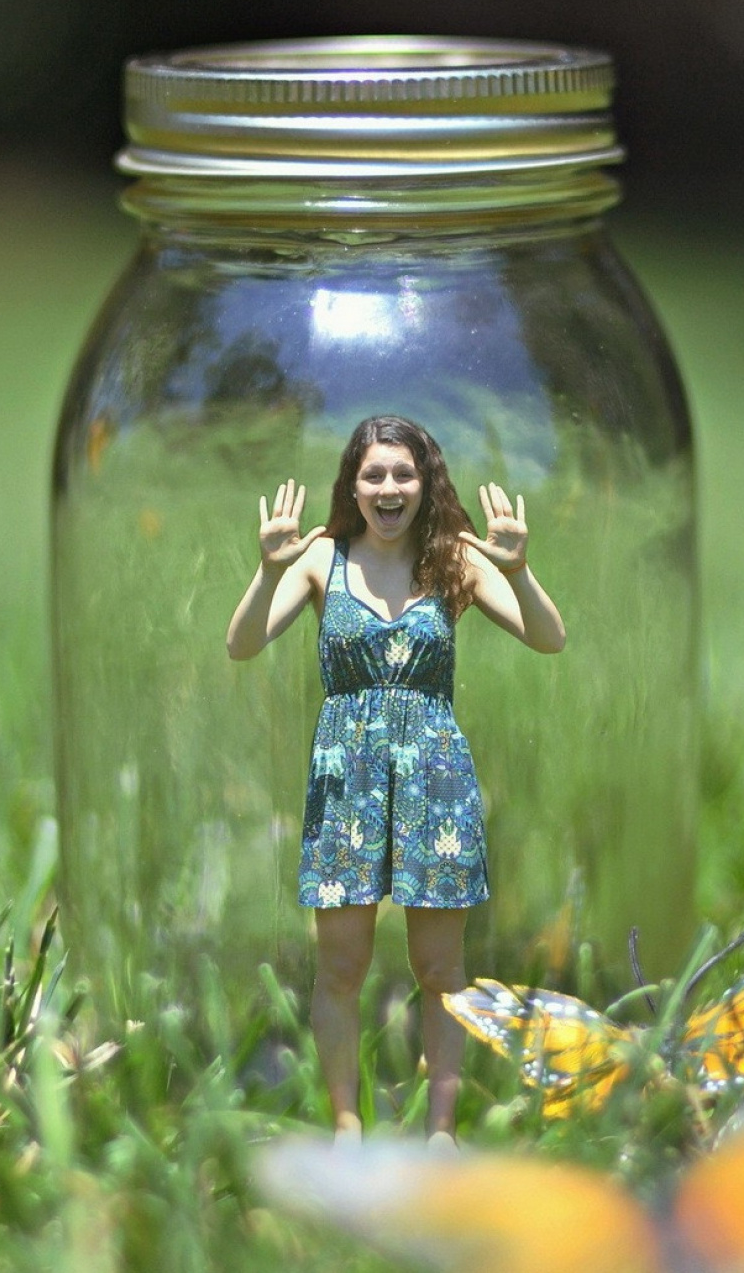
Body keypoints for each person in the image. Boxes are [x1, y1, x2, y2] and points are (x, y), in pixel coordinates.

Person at [227, 415, 565, 1150]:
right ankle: (346, 1122)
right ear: (353, 482)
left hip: (434, 779)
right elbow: (242, 644)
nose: (389, 488)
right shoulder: (323, 556)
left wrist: (516, 569)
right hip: (346, 778)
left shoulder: (454, 559)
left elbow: (549, 636)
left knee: (441, 965)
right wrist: (267, 569)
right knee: (342, 962)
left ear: (426, 482)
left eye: (403, 474)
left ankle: (441, 1131)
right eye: (375, 474)